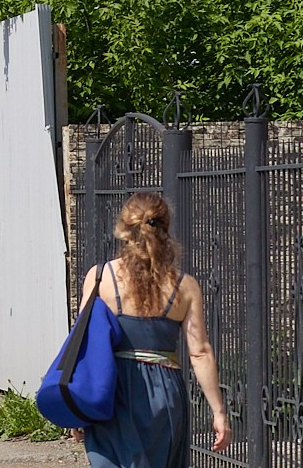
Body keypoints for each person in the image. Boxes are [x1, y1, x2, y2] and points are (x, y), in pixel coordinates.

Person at [75, 192, 231, 468]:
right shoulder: (185, 286)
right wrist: (219, 413)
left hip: (110, 389)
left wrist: (77, 405)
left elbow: (83, 343)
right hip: (164, 391)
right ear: (166, 229)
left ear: (123, 229)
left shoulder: (100, 277)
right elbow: (200, 353)